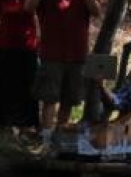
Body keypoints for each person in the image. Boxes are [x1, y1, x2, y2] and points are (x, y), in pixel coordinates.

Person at [24, 0, 101, 147]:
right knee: (49, 98)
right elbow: (28, 7)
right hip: (52, 54)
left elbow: (96, 12)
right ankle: (46, 140)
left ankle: (59, 137)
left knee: (69, 99)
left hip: (77, 54)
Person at [0, 0, 39, 131]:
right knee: (3, 84)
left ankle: (26, 124)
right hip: (5, 45)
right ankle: (0, 121)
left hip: (27, 47)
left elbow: (29, 9)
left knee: (26, 86)